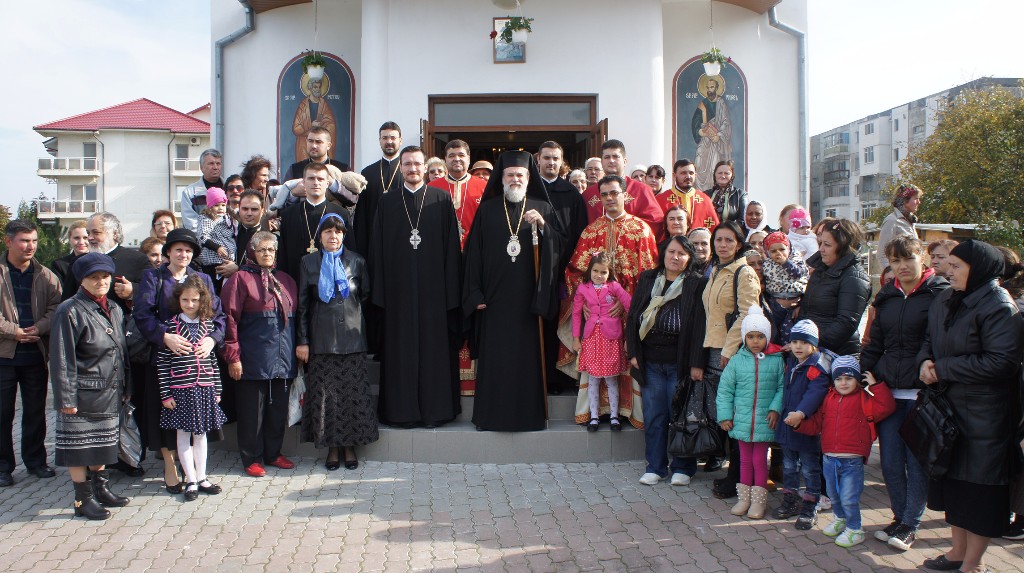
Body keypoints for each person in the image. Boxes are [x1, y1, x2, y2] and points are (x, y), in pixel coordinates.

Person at [917, 239, 1022, 573]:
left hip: (985, 417)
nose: (949, 271)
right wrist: (925, 362)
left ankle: (972, 565)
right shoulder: (948, 298)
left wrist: (943, 369)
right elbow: (929, 340)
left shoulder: (998, 305)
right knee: (955, 489)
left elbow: (1002, 362)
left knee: (979, 494)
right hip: (950, 411)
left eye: (957, 266)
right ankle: (956, 553)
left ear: (980, 270)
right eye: (950, 265)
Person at [463, 150, 563, 432]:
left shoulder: (541, 207)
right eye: (510, 175)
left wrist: (543, 227)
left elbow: (559, 248)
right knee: (496, 360)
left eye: (520, 175)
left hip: (528, 302)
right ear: (502, 178)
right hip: (494, 302)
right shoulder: (488, 208)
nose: (515, 179)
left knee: (526, 360)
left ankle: (529, 417)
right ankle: (490, 417)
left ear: (529, 178)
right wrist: (475, 293)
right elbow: (473, 255)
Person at [859, 235, 948, 551]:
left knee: (916, 463)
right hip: (887, 392)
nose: (902, 267)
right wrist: (863, 373)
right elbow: (876, 342)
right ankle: (899, 517)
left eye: (908, 258)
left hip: (922, 395)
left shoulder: (940, 294)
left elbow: (938, 341)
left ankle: (911, 523)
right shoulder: (887, 295)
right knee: (891, 463)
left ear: (922, 257)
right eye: (895, 261)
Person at [370, 146, 462, 427]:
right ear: (401, 168)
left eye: (417, 164)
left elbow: (451, 250)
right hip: (398, 294)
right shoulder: (387, 202)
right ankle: (401, 413)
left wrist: (450, 293)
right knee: (400, 353)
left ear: (426, 167)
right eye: (407, 164)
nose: (412, 169)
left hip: (434, 293)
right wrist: (382, 293)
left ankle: (436, 412)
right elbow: (377, 250)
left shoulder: (441, 199)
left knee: (434, 351)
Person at [558, 175, 659, 428]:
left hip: (629, 314)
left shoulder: (641, 230)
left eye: (614, 193)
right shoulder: (591, 231)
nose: (610, 199)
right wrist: (591, 301)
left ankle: (625, 412)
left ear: (625, 195)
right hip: (597, 318)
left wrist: (629, 306)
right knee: (593, 370)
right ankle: (594, 412)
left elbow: (649, 276)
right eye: (604, 195)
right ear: (599, 197)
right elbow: (574, 271)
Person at [133, 228, 227, 490]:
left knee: (195, 425)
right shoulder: (153, 277)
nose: (183, 254)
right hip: (166, 357)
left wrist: (213, 339)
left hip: (198, 362)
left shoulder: (203, 279)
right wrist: (165, 337)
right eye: (178, 250)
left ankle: (196, 473)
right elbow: (143, 315)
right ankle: (169, 463)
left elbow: (219, 316)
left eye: (188, 250)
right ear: (168, 252)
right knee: (167, 413)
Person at [49, 253, 130, 519]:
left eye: (105, 276)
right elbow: (62, 358)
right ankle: (82, 500)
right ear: (82, 280)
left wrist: (126, 384)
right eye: (93, 277)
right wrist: (66, 399)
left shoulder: (115, 309)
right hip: (83, 392)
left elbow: (122, 351)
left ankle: (101, 488)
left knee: (103, 444)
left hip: (110, 389)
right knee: (79, 449)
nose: (100, 282)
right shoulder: (69, 310)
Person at [296, 215, 378, 469]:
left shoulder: (357, 261)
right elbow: (302, 306)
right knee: (327, 398)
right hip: (322, 342)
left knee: (352, 397)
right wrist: (303, 341)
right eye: (328, 232)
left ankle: (350, 448)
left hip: (352, 340)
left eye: (338, 232)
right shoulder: (308, 262)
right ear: (319, 236)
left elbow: (364, 297)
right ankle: (332, 450)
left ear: (344, 235)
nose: (333, 236)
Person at [626, 235, 706, 486]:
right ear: (663, 253)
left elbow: (699, 327)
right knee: (654, 415)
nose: (675, 257)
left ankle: (683, 466)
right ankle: (656, 466)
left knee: (681, 415)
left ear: (689, 257)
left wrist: (696, 362)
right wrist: (634, 353)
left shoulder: (696, 284)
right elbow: (633, 316)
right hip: (651, 361)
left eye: (682, 253)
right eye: (672, 252)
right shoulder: (649, 279)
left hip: (679, 363)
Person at [221, 231, 298, 478]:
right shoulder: (240, 279)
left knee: (277, 410)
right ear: (253, 252)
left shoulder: (286, 280)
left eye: (271, 250)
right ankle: (251, 458)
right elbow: (229, 320)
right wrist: (233, 357)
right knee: (252, 413)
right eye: (262, 249)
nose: (267, 253)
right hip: (252, 359)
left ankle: (273, 453)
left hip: (282, 358)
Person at [795, 356, 896, 548]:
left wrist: (876, 387)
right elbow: (817, 423)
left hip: (852, 460)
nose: (843, 383)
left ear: (857, 380)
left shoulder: (864, 399)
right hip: (829, 458)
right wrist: (799, 424)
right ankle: (840, 519)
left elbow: (886, 407)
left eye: (848, 379)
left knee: (849, 497)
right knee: (833, 495)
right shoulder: (828, 398)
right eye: (839, 378)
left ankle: (855, 529)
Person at [0, 220, 61, 488]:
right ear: (9, 241)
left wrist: (40, 326)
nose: (30, 246)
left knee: (35, 411)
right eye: (25, 241)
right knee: (3, 414)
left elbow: (56, 307)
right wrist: (15, 331)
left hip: (36, 354)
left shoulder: (45, 275)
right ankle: (3, 467)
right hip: (4, 355)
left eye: (34, 241)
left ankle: (36, 461)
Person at [701, 221, 761, 489]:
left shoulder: (743, 272)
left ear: (738, 244)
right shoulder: (716, 270)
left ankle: (738, 476)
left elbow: (748, 313)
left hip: (731, 352)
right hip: (714, 350)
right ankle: (734, 472)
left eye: (728, 240)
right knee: (723, 412)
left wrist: (728, 348)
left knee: (736, 413)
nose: (722, 245)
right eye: (719, 240)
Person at [156, 275, 227, 501]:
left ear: (202, 300)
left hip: (204, 389)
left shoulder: (208, 326)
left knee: (201, 434)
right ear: (178, 300)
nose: (190, 304)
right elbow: (163, 363)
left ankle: (203, 476)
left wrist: (217, 388)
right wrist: (166, 393)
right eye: (185, 300)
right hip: (181, 389)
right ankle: (191, 479)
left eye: (195, 300)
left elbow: (213, 361)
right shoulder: (171, 326)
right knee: (183, 435)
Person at [715, 305, 784, 519]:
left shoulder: (777, 360)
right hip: (742, 420)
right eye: (751, 336)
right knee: (744, 460)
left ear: (768, 337)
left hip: (764, 420)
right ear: (744, 338)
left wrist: (775, 408)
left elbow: (782, 387)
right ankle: (744, 498)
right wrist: (725, 415)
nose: (756, 341)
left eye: (760, 336)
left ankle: (759, 501)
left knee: (760, 460)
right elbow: (725, 389)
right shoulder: (736, 361)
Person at [537, 141, 589, 395]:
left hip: (563, 273)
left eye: (555, 159)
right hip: (534, 273)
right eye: (546, 158)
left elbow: (581, 236)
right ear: (538, 160)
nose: (551, 163)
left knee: (560, 324)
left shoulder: (572, 194)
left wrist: (572, 270)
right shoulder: (529, 191)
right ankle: (537, 376)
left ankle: (558, 379)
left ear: (561, 161)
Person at [773, 319, 831, 530]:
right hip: (788, 425)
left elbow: (815, 392)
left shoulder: (817, 367)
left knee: (810, 469)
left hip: (806, 428)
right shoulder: (792, 362)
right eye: (794, 341)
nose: (798, 346)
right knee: (789, 467)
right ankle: (790, 499)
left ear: (813, 344)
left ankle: (810, 505)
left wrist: (801, 413)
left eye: (803, 342)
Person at [571, 252, 632, 431]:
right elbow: (576, 314)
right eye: (595, 271)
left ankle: (614, 416)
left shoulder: (614, 286)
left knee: (612, 379)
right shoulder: (583, 288)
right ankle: (594, 416)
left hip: (611, 338)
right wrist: (576, 339)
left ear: (609, 273)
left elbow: (630, 306)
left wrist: (629, 335)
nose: (599, 275)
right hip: (591, 338)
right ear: (590, 270)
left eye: (603, 272)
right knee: (593, 380)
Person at [800, 219, 871, 356]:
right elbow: (806, 310)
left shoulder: (854, 278)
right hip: (812, 351)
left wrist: (811, 344)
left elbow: (845, 323)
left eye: (827, 245)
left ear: (843, 247)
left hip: (836, 355)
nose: (821, 249)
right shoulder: (820, 270)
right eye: (820, 243)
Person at [276, 163, 350, 283]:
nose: (316, 182)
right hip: (296, 279)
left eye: (320, 179)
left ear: (327, 183)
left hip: (330, 281)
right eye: (311, 178)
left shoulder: (341, 214)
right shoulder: (289, 214)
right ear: (304, 182)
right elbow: (283, 255)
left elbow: (349, 254)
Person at [581, 140, 663, 233]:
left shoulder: (641, 190)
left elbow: (656, 222)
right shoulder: (588, 194)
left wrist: (624, 232)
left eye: (615, 157)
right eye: (607, 157)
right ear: (602, 161)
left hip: (632, 246)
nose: (611, 160)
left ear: (625, 161)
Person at [354, 122, 403, 257]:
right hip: (373, 238)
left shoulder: (407, 172)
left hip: (402, 237)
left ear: (400, 140)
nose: (389, 142)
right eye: (385, 138)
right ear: (379, 141)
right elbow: (362, 213)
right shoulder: (368, 172)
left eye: (393, 138)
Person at [86, 212, 151, 315]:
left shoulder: (137, 260)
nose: (90, 237)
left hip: (122, 326)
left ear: (114, 234)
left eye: (96, 233)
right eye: (88, 233)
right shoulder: (81, 262)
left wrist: (133, 292)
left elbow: (153, 292)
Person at [428, 140, 486, 249]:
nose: (457, 159)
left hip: (474, 248)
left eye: (461, 155)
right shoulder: (431, 187)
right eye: (451, 155)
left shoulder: (483, 186)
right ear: (445, 160)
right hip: (441, 248)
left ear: (468, 158)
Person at [656, 159, 719, 235]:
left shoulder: (705, 200)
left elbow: (714, 230)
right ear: (674, 175)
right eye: (683, 173)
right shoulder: (661, 199)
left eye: (691, 173)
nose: (688, 176)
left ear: (695, 175)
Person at [693, 76, 732, 192]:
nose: (709, 90)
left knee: (714, 167)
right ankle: (701, 193)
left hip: (716, 144)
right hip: (704, 141)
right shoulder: (702, 104)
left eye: (712, 87)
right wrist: (701, 132)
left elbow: (726, 123)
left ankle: (713, 191)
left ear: (717, 88)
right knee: (699, 165)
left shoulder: (721, 104)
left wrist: (718, 136)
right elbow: (695, 122)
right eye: (708, 87)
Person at [292, 76, 337, 163]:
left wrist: (321, 127)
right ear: (310, 88)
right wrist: (311, 126)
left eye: (319, 87)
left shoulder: (324, 104)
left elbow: (331, 123)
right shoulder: (303, 106)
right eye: (315, 87)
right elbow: (296, 128)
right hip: (304, 145)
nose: (317, 89)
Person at [876, 184, 922, 270]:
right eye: (916, 198)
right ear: (905, 200)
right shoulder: (892, 221)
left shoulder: (910, 221)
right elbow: (882, 254)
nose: (919, 202)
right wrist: (892, 276)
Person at [196, 187, 235, 285]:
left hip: (228, 262)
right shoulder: (207, 219)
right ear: (209, 207)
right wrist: (216, 248)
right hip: (213, 264)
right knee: (214, 288)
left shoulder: (227, 219)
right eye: (216, 205)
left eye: (223, 205)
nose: (220, 208)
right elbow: (202, 237)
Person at [283, 125, 350, 182]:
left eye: (318, 142)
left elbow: (353, 196)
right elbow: (283, 194)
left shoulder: (343, 169)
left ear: (329, 145)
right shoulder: (294, 169)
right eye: (310, 141)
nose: (313, 146)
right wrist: (294, 192)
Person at [180, 149, 224, 233]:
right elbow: (191, 224)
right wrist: (211, 240)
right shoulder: (190, 193)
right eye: (211, 163)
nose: (215, 167)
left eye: (218, 163)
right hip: (202, 242)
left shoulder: (229, 189)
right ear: (201, 167)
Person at [51, 220, 91, 301]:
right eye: (76, 238)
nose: (81, 242)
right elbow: (60, 293)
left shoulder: (101, 262)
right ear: (70, 239)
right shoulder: (59, 265)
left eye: (85, 238)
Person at [708, 160, 747, 227]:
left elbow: (743, 220)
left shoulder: (741, 195)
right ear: (715, 175)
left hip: (731, 235)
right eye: (720, 173)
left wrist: (726, 230)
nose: (723, 176)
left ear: (732, 176)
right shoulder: (705, 195)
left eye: (727, 173)